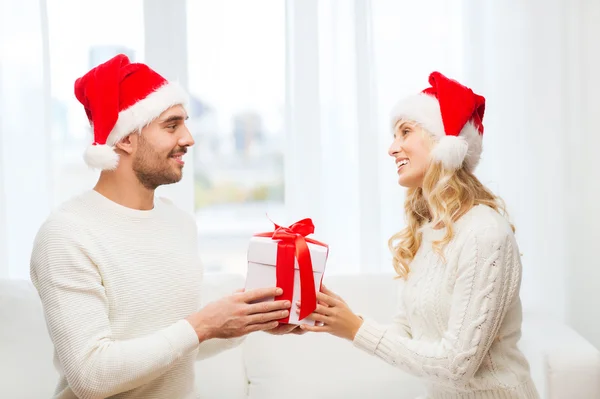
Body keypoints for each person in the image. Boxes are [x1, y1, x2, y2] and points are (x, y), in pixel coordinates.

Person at [30, 54, 299, 399]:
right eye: (171, 126)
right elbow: (91, 376)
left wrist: (245, 322)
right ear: (125, 138)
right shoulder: (67, 235)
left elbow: (174, 345)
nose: (188, 138)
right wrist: (202, 325)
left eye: (185, 123)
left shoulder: (178, 222)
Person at [298, 72, 540, 398]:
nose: (392, 148)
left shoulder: (484, 234)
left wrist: (357, 330)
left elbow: (457, 364)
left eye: (405, 132)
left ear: (444, 145)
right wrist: (340, 317)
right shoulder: (430, 232)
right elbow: (408, 332)